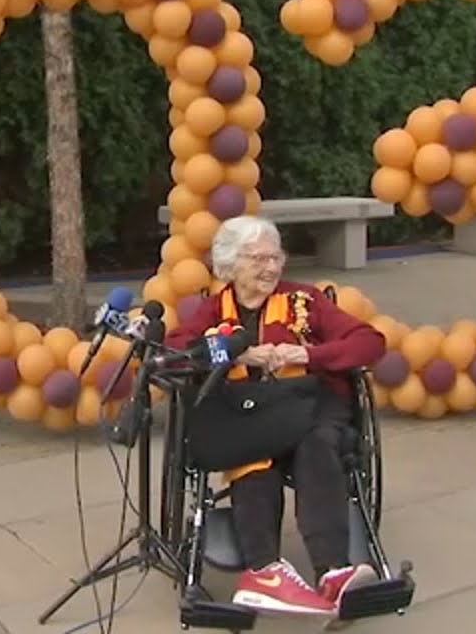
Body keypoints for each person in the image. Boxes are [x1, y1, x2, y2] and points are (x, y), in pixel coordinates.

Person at [166, 215, 387, 617]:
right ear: (230, 264)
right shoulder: (214, 310)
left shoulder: (305, 301)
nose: (271, 268)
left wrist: (309, 354)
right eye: (258, 259)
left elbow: (370, 342)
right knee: (253, 458)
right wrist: (237, 352)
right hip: (250, 414)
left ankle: (333, 571)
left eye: (276, 257)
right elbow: (180, 350)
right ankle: (265, 571)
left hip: (312, 404)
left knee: (317, 443)